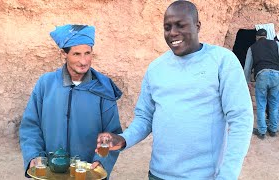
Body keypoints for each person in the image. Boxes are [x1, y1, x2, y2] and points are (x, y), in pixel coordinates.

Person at [95, 1, 253, 179]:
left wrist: (227, 175)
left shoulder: (222, 61)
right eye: (167, 27)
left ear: (197, 26)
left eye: (180, 25)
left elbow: (241, 120)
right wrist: (123, 139)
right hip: (158, 174)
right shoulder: (156, 68)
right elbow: (145, 118)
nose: (173, 33)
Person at [19, 24, 123, 177]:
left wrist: (101, 161)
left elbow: (111, 133)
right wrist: (34, 156)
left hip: (87, 172)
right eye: (76, 54)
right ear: (63, 54)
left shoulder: (103, 88)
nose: (83, 61)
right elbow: (30, 126)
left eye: (87, 53)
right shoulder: (45, 84)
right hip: (50, 172)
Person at [244, 28, 279, 139]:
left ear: (256, 37)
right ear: (266, 36)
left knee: (261, 103)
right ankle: (273, 129)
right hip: (276, 74)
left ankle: (262, 131)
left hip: (262, 74)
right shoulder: (276, 44)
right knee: (274, 103)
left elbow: (247, 67)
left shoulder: (252, 47)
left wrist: (247, 81)